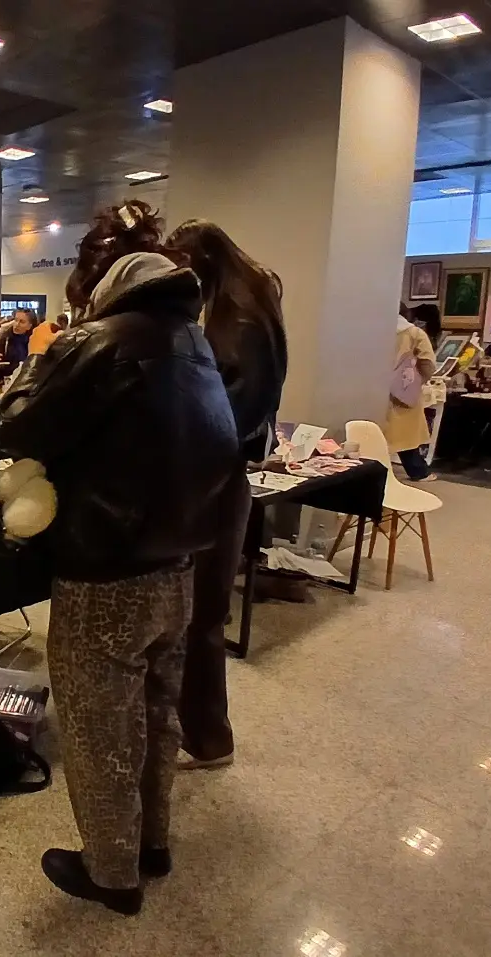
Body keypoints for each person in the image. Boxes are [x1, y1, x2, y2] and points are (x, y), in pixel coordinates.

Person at [0, 200, 238, 914]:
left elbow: (13, 424)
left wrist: (47, 350)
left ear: (96, 280)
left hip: (105, 570)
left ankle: (111, 872)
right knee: (157, 715)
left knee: (102, 726)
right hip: (178, 565)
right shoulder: (190, 340)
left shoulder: (98, 341)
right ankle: (151, 843)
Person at [164, 219, 288, 772]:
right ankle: (199, 730)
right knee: (198, 616)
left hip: (213, 482)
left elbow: (232, 416)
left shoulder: (236, 325)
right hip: (217, 480)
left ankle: (208, 736)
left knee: (201, 619)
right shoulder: (244, 312)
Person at [386, 303, 437, 482]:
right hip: (401, 390)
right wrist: (419, 380)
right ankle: (418, 471)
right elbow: (428, 363)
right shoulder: (414, 333)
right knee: (405, 435)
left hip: (373, 389)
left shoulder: (374, 330)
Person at [0, 308, 37, 373]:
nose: (17, 324)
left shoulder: (34, 341)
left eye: (22, 322)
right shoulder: (4, 338)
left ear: (30, 326)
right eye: (16, 320)